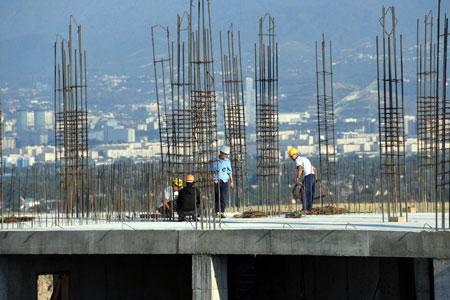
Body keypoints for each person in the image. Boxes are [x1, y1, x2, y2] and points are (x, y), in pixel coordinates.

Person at [288, 147, 316, 212]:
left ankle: (306, 209)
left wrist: (297, 178)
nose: (291, 158)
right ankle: (309, 208)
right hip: (312, 176)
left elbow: (300, 168)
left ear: (294, 155)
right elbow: (313, 168)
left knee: (304, 192)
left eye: (291, 156)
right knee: (310, 193)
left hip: (308, 176)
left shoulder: (298, 160)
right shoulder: (304, 158)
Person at [214, 145, 233, 217]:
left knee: (223, 197)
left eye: (226, 155)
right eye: (224, 154)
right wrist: (210, 181)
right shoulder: (214, 161)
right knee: (216, 197)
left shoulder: (227, 161)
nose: (225, 156)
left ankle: (222, 212)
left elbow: (229, 172)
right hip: (216, 181)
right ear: (221, 153)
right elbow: (210, 172)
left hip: (224, 181)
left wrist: (231, 181)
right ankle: (217, 212)